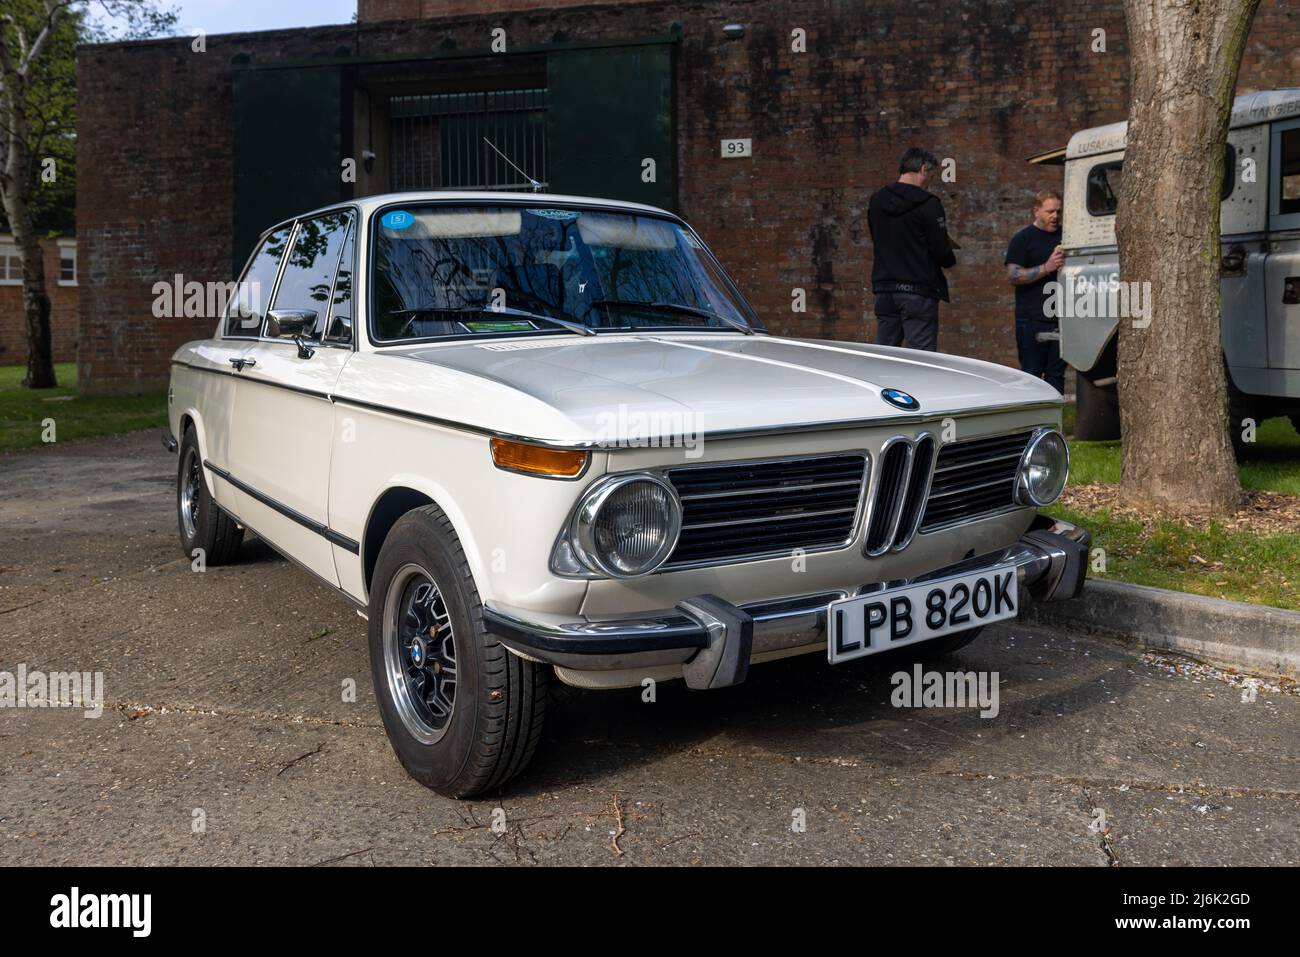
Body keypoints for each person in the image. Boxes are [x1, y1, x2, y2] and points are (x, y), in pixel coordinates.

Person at [868, 147, 957, 352]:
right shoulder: (929, 203)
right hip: (918, 290)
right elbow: (941, 250)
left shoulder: (877, 200)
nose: (929, 182)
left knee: (884, 355)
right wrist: (950, 259)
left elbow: (877, 238)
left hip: (884, 288)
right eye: (931, 176)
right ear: (923, 169)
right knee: (921, 360)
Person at [1005, 190, 1066, 393]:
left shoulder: (1067, 236)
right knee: (1032, 374)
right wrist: (1046, 267)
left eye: (1058, 211)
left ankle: (1054, 422)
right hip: (1032, 320)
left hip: (1063, 318)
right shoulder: (1023, 239)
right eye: (1050, 211)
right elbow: (1013, 276)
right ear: (1036, 211)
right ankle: (1031, 422)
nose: (1055, 216)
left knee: (1057, 376)